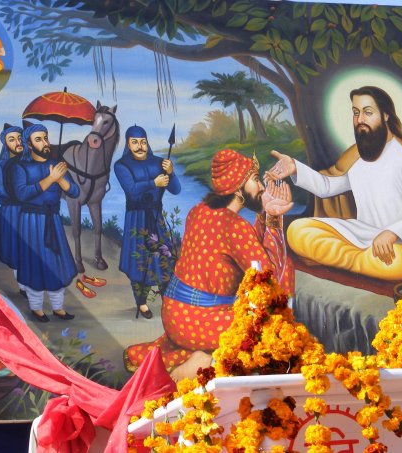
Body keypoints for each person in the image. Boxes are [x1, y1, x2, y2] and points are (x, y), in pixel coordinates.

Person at [124, 149, 295, 377]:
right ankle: (196, 364)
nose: (262, 187)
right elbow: (267, 280)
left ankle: (179, 357)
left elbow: (242, 251)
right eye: (255, 180)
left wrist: (264, 215)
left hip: (175, 314)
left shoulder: (199, 211)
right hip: (200, 318)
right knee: (268, 327)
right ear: (237, 188)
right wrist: (273, 220)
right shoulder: (235, 227)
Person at [268, 86, 402, 281]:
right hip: (360, 233)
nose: (360, 119)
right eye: (356, 112)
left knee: (397, 264)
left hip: (400, 243)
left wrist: (391, 233)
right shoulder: (357, 156)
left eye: (368, 112)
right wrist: (295, 167)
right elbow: (327, 187)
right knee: (296, 231)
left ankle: (344, 258)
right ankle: (358, 260)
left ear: (385, 115)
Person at [10, 123, 78, 322]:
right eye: (38, 139)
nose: (45, 142)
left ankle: (58, 308)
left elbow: (74, 192)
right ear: (29, 144)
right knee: (34, 264)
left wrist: (60, 179)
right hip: (31, 222)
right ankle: (37, 308)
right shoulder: (20, 167)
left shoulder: (57, 164)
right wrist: (51, 178)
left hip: (52, 221)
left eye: (46, 138)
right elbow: (22, 193)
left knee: (56, 264)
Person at [114, 125, 181, 319]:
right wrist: (154, 183)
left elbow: (175, 190)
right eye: (134, 142)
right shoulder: (122, 165)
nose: (139, 146)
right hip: (136, 219)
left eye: (142, 141)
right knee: (139, 260)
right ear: (128, 144)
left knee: (164, 258)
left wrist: (171, 172)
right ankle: (141, 303)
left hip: (156, 217)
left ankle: (167, 300)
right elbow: (131, 189)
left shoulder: (160, 163)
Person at [0, 123, 28, 298]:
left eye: (20, 138)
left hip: (30, 211)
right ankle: (23, 286)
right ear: (5, 143)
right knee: (15, 249)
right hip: (11, 211)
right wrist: (18, 194)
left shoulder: (30, 162)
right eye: (11, 139)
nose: (17, 142)